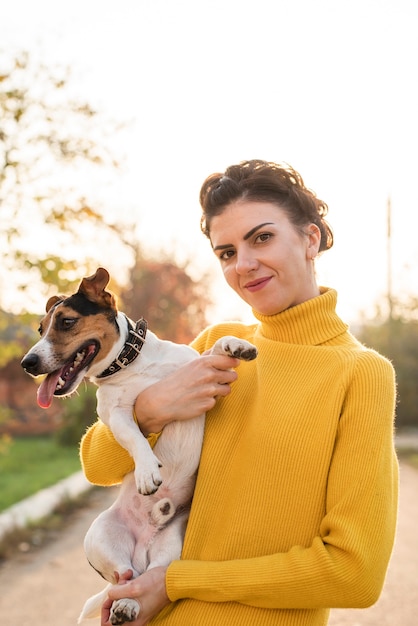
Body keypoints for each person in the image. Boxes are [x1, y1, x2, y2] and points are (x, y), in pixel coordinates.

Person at [80, 160, 398, 626]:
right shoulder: (215, 345)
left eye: (262, 238)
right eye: (226, 252)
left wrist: (175, 582)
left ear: (311, 238)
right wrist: (150, 410)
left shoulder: (360, 374)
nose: (244, 265)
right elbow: (98, 466)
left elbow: (354, 574)